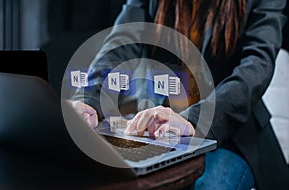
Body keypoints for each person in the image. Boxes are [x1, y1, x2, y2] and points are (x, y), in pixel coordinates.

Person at [71, 0, 289, 189]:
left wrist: (194, 120)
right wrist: (89, 98)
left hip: (231, 135)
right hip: (160, 131)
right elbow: (123, 40)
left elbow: (257, 64)